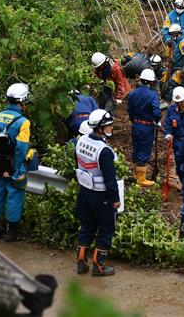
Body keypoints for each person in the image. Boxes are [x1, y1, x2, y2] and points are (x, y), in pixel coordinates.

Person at [74, 109, 121, 277]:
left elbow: (77, 163)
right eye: (108, 126)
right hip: (101, 196)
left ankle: (81, 262)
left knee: (87, 226)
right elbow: (110, 179)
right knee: (106, 229)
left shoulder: (81, 141)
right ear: (100, 128)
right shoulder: (104, 151)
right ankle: (99, 266)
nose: (111, 128)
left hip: (85, 192)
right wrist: (115, 199)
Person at [0, 83, 31, 242]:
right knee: (14, 196)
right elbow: (21, 148)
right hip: (14, 165)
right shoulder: (23, 122)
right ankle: (11, 233)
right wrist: (16, 166)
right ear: (22, 100)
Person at [127, 69, 161, 188]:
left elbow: (130, 111)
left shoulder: (132, 94)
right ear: (151, 82)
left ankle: (137, 176)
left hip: (136, 125)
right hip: (146, 126)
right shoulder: (152, 95)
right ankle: (141, 180)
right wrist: (157, 121)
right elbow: (156, 112)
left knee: (136, 149)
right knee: (144, 150)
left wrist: (134, 121)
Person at [163, 24, 184, 101]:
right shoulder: (174, 41)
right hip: (174, 66)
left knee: (172, 83)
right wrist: (168, 60)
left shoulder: (182, 43)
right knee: (180, 85)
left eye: (172, 34)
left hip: (180, 68)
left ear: (177, 33)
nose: (171, 36)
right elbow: (170, 52)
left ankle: (167, 101)